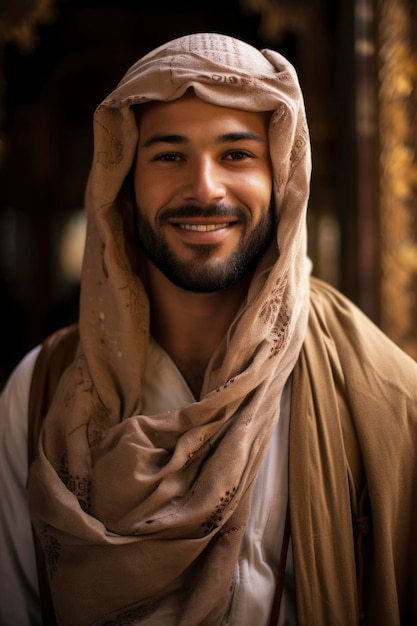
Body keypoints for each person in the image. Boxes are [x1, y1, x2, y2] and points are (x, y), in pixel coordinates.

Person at [0, 32, 416, 626]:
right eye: (169, 155)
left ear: (284, 179)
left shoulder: (380, 394)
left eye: (237, 155)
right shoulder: (39, 394)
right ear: (122, 184)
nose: (204, 188)